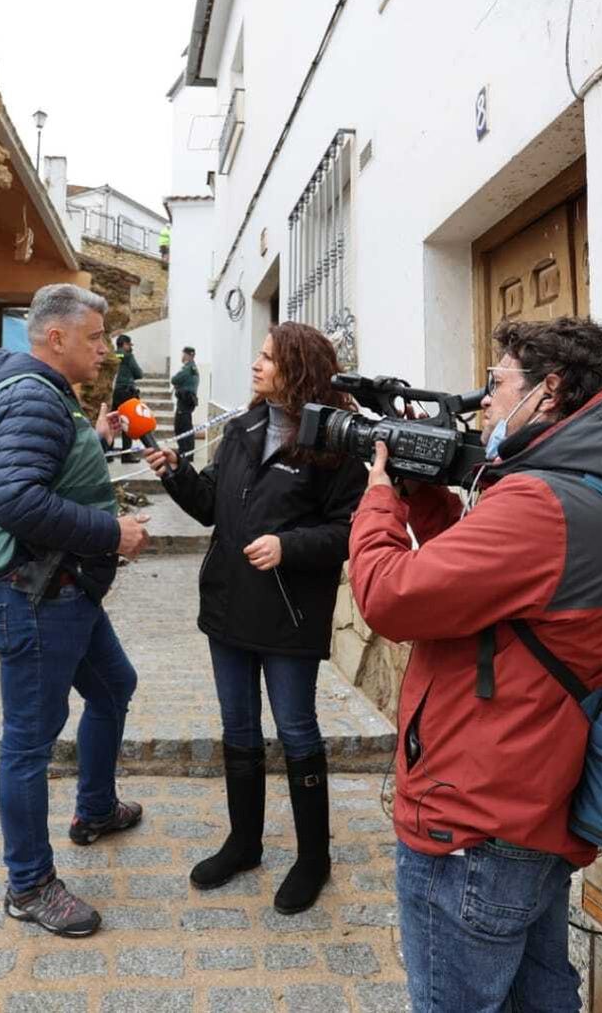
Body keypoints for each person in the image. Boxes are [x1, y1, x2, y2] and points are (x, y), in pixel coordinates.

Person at [346, 317, 602, 1012]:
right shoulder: (596, 489)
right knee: (541, 996)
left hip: (475, 820)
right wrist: (427, 492)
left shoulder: (540, 503)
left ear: (548, 391)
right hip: (531, 802)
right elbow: (484, 589)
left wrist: (377, 495)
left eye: (496, 384)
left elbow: (391, 596)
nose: (484, 401)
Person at [144, 321, 365, 914]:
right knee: (238, 730)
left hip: (290, 614)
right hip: (228, 605)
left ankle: (313, 858)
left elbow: (350, 529)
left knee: (296, 731)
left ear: (298, 369)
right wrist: (173, 472)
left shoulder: (336, 444)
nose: (256, 365)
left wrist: (288, 546)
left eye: (268, 358)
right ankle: (244, 844)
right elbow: (209, 505)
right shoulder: (242, 429)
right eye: (259, 356)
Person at [0, 284, 154, 938]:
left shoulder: (42, 396)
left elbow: (39, 470)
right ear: (55, 339)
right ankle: (29, 884)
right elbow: (18, 499)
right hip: (34, 592)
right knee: (29, 741)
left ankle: (95, 809)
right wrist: (113, 534)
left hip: (61, 587)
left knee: (114, 686)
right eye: (95, 339)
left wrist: (90, 439)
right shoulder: (30, 396)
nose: (105, 351)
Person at [111, 333, 143, 462]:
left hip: (114, 392)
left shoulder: (113, 355)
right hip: (126, 392)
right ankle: (126, 455)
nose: (130, 347)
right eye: (129, 344)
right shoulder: (128, 356)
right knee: (126, 422)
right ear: (124, 344)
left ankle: (108, 453)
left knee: (112, 421)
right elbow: (139, 373)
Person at [170, 346, 200, 461]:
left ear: (188, 355)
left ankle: (186, 453)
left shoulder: (188, 368)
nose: (182, 356)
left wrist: (178, 385)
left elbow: (174, 380)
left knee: (182, 427)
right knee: (185, 427)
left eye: (183, 354)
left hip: (184, 402)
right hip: (187, 401)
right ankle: (187, 453)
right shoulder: (192, 368)